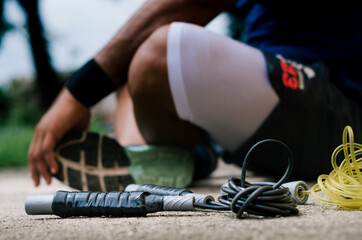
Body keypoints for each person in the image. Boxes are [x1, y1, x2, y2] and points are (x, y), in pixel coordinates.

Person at [27, 0, 362, 191]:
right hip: (266, 113)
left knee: (157, 53)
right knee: (128, 61)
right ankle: (151, 155)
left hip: (337, 109)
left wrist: (77, 94)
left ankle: (165, 153)